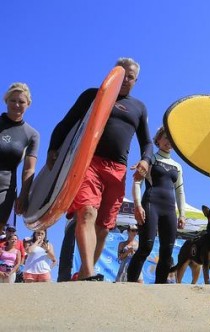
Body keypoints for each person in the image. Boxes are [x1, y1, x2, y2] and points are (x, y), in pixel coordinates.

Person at [47, 58, 153, 281]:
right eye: (121, 75)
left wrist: (145, 160)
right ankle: (88, 272)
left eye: (130, 77)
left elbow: (147, 142)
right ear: (113, 73)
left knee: (104, 227)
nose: (125, 80)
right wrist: (53, 147)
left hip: (118, 170)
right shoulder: (93, 95)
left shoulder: (139, 107)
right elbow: (66, 122)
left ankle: (86, 271)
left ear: (136, 80)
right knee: (86, 212)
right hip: (89, 162)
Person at [127, 126, 185, 284]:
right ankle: (129, 285)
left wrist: (183, 214)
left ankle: (160, 289)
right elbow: (137, 182)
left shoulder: (178, 166)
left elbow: (180, 192)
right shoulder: (150, 159)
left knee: (167, 250)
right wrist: (137, 205)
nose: (168, 141)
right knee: (146, 246)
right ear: (158, 140)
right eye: (165, 137)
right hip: (151, 204)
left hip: (169, 209)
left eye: (171, 138)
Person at [0, 83, 39, 231]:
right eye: (13, 100)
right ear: (6, 101)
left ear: (28, 104)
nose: (17, 104)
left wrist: (24, 195)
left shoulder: (32, 135)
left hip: (5, 190)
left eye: (21, 102)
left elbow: (29, 169)